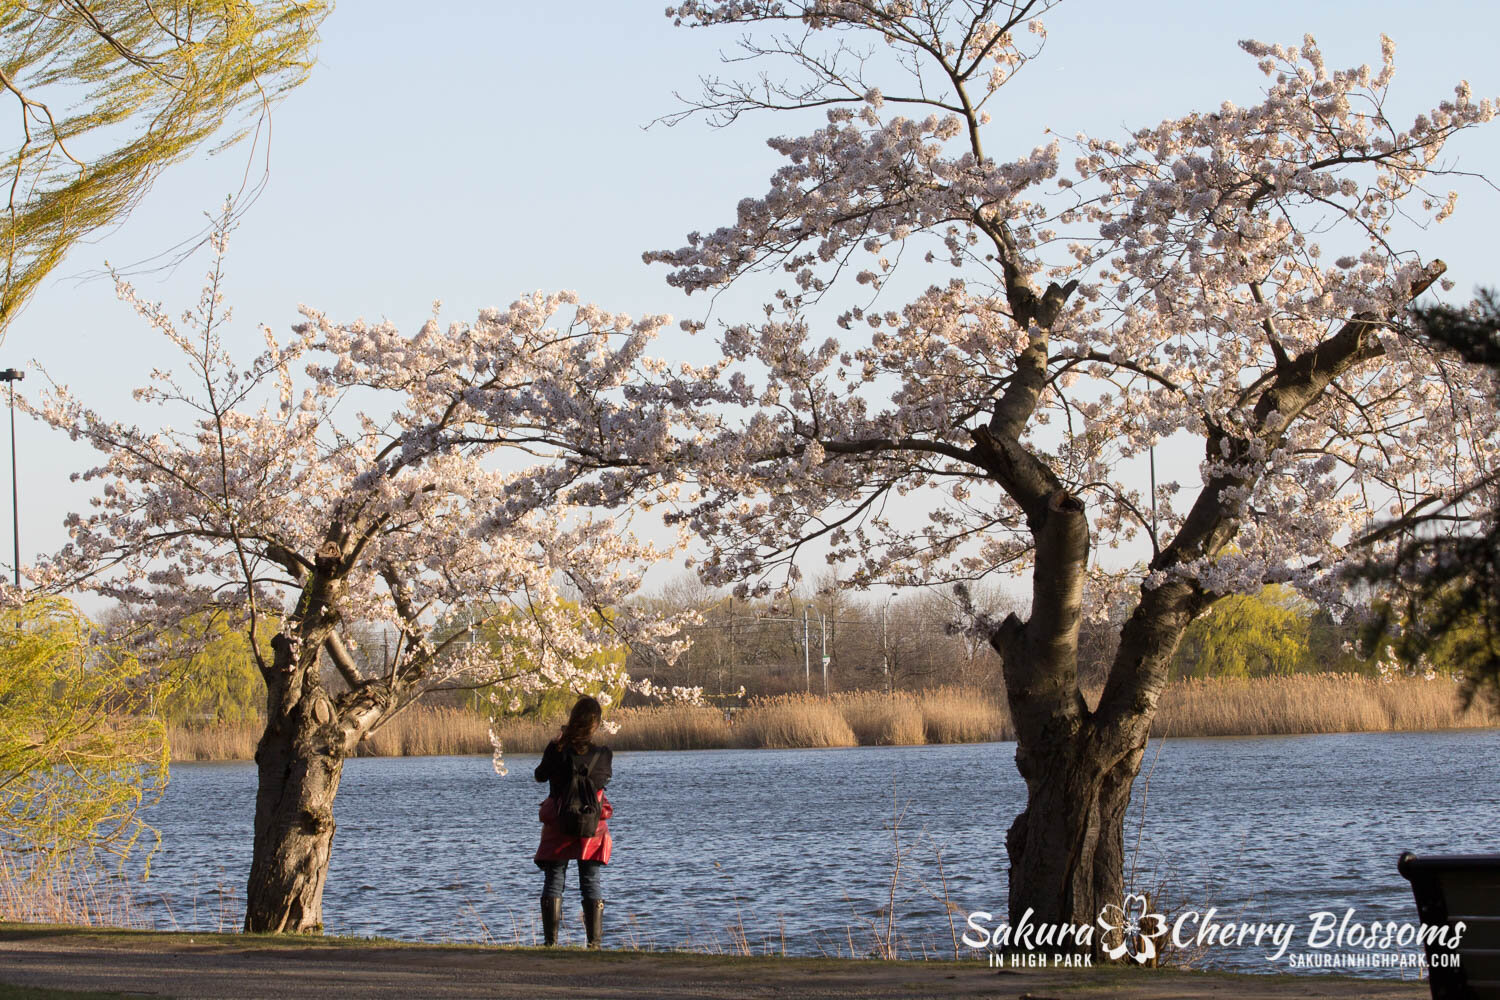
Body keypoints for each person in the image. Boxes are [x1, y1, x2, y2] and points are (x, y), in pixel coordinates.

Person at [533, 695, 613, 947]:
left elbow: (539, 776)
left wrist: (555, 744)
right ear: (595, 724)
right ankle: (594, 944)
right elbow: (603, 781)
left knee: (554, 877)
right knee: (590, 880)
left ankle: (550, 943)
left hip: (559, 821)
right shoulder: (603, 755)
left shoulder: (557, 751)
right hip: (591, 824)